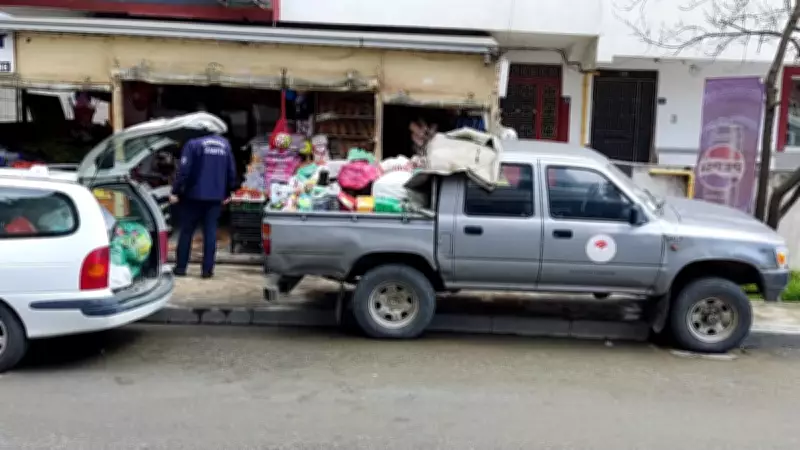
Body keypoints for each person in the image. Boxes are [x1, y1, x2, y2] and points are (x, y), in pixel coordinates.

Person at [169, 132, 237, 278]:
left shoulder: (193, 144)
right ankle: (207, 270)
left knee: (187, 231)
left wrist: (175, 191)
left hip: (193, 196)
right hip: (215, 197)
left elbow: (184, 171)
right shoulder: (224, 145)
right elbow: (231, 171)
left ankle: (181, 268)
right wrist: (229, 192)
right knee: (210, 232)